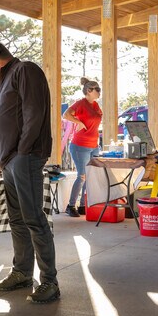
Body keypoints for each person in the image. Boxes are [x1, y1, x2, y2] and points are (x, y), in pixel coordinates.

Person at [0, 42, 59, 304]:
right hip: (10, 162)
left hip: (23, 159)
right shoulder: (5, 83)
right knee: (17, 221)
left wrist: (22, 152)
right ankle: (22, 273)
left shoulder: (24, 70)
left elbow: (34, 113)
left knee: (34, 219)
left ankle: (50, 281)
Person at [62, 77, 102, 217]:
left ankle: (83, 205)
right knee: (82, 176)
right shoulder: (81, 104)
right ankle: (70, 206)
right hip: (80, 146)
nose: (99, 91)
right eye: (97, 89)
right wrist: (78, 121)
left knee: (90, 176)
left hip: (93, 146)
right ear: (89, 91)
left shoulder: (95, 105)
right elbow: (65, 115)